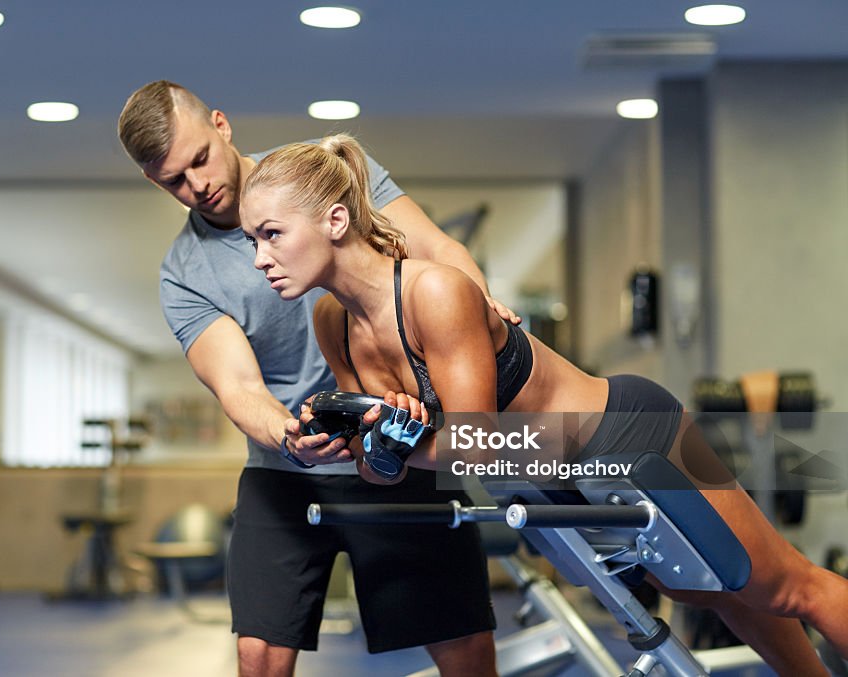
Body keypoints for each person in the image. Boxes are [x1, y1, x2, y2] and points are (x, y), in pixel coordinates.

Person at [239, 133, 848, 676]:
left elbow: (475, 450)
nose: (261, 258)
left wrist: (399, 441)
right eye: (252, 240)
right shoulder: (333, 322)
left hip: (627, 435)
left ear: (336, 220)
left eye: (272, 235)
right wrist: (358, 444)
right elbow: (381, 470)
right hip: (548, 473)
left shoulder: (435, 292)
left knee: (784, 586)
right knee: (710, 591)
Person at [117, 81, 521, 677]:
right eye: (175, 179)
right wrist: (290, 435)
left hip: (399, 443)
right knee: (258, 656)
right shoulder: (185, 275)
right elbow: (240, 388)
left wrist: (478, 307)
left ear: (222, 127)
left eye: (199, 159)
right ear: (156, 182)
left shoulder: (321, 173)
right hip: (287, 473)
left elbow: (432, 246)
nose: (196, 185)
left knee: (463, 648)